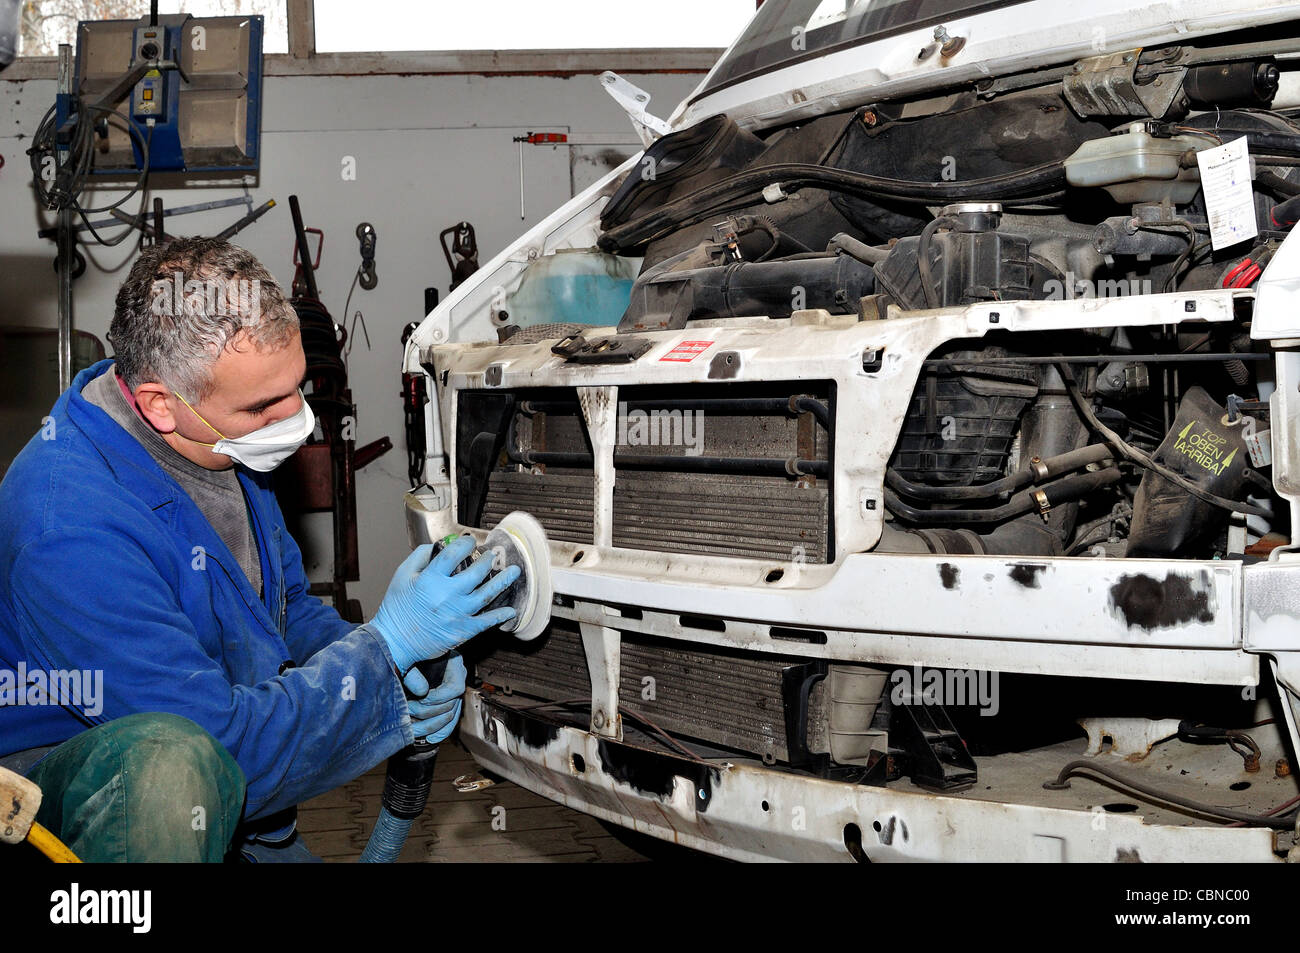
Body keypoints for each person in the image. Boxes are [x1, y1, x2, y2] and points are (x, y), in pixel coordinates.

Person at [0, 237, 517, 862]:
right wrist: (384, 654)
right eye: (265, 404)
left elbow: (282, 612)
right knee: (169, 768)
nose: (296, 417)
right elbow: (217, 745)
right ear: (162, 404)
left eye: (295, 387)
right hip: (86, 804)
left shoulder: (222, 440)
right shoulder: (69, 528)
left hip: (232, 794)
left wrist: (394, 665)